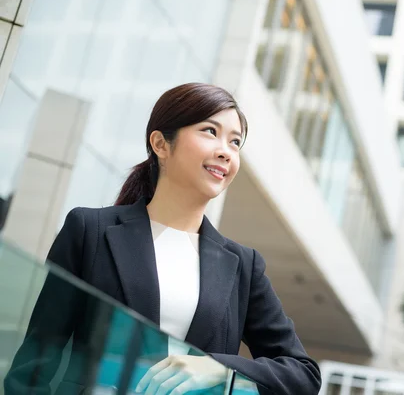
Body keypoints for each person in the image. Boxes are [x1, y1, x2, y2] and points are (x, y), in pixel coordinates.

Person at [4, 83, 321, 395]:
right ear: (161, 144)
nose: (226, 151)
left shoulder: (243, 266)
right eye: (210, 131)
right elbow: (36, 361)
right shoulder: (90, 231)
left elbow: (302, 373)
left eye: (235, 141)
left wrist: (220, 367)